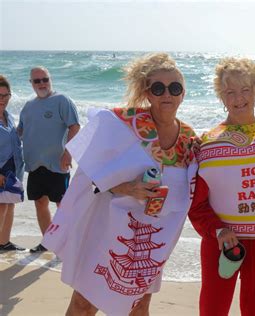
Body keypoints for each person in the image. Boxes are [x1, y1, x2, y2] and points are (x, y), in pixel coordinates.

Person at [42, 53, 198, 315]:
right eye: (158, 88)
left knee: (139, 304)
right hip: (108, 228)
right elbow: (88, 176)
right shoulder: (123, 122)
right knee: (84, 302)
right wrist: (127, 187)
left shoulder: (190, 140)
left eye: (175, 87)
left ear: (183, 93)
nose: (167, 94)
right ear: (148, 93)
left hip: (154, 237)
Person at [188, 58, 255, 316]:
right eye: (230, 92)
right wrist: (218, 230)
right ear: (221, 96)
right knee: (213, 310)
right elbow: (197, 204)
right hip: (221, 243)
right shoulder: (207, 143)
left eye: (246, 89)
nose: (239, 98)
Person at [18, 66, 80, 253]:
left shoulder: (62, 100)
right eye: (37, 81)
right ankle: (48, 242)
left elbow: (74, 127)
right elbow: (20, 131)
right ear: (31, 83)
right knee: (40, 203)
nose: (42, 83)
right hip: (34, 164)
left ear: (50, 79)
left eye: (45, 79)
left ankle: (68, 242)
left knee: (63, 206)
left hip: (57, 164)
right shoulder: (28, 106)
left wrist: (68, 152)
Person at [0, 75, 25, 251]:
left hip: (13, 168)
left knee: (9, 204)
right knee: (1, 208)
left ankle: (4, 243)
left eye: (5, 95)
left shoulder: (8, 117)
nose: (2, 100)